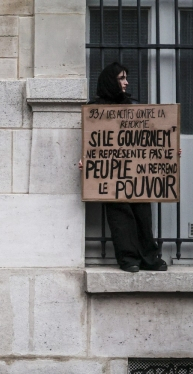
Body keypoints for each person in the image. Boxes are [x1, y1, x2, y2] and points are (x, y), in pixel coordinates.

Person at [81, 62, 169, 273]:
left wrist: (169, 152)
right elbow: (93, 141)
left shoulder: (133, 107)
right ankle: (128, 259)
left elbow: (149, 139)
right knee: (120, 216)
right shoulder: (96, 110)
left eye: (125, 78)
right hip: (111, 174)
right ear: (111, 81)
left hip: (137, 172)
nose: (126, 82)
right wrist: (86, 159)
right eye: (121, 78)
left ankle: (149, 258)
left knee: (142, 214)